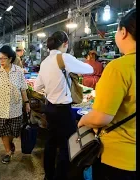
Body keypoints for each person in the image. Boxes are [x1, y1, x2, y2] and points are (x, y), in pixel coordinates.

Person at [78, 9, 136, 180]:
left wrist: (83, 120)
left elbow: (101, 117)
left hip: (119, 158)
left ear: (123, 32)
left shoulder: (120, 67)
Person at [34, 30, 93, 180]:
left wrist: (51, 89)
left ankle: (48, 175)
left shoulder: (45, 61)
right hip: (63, 110)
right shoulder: (64, 58)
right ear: (65, 43)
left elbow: (36, 87)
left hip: (50, 108)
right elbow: (89, 69)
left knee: (51, 142)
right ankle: (60, 176)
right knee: (68, 144)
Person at [0, 45, 30, 164]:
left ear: (10, 59)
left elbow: (23, 89)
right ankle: (8, 152)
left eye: (3, 58)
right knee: (2, 130)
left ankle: (10, 143)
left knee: (14, 131)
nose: (1, 61)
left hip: (15, 107)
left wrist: (26, 103)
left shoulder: (18, 71)